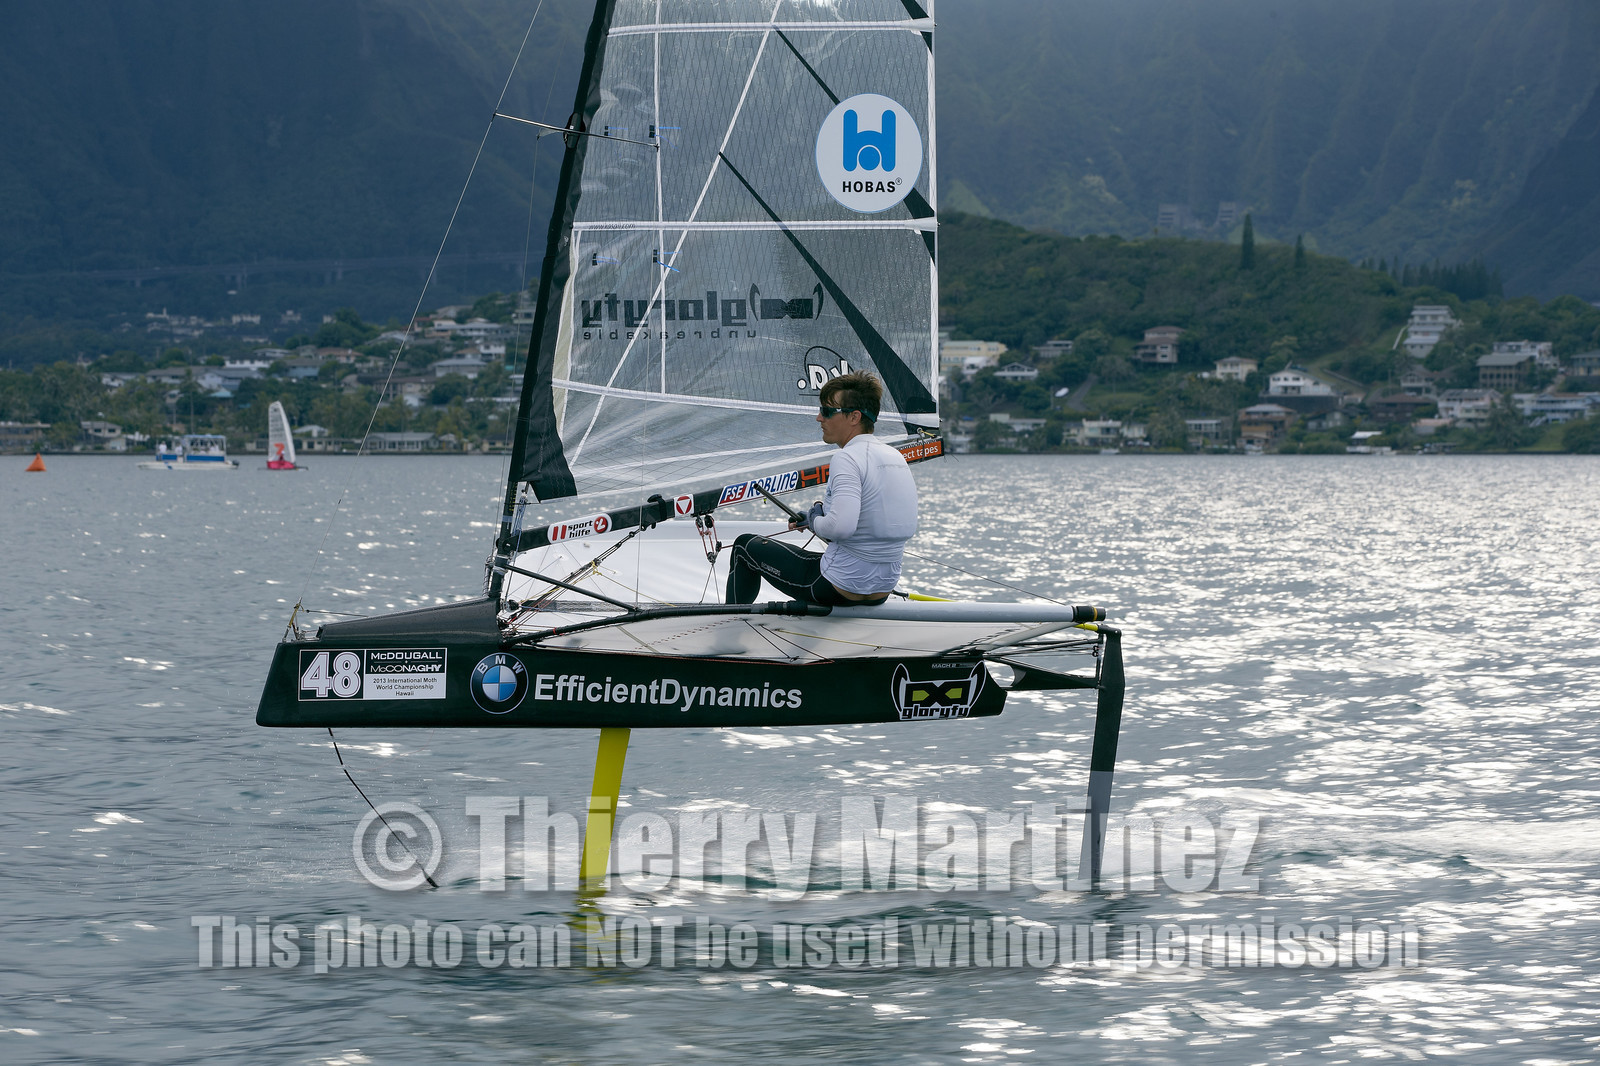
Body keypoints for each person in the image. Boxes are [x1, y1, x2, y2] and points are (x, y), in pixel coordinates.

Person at [725, 371, 918, 606]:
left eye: (826, 411)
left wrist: (816, 517)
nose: (819, 418)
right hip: (882, 589)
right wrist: (814, 521)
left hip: (839, 587)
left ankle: (729, 631)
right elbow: (872, 527)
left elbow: (840, 528)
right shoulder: (896, 457)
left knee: (745, 546)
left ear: (854, 417)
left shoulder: (847, 458)